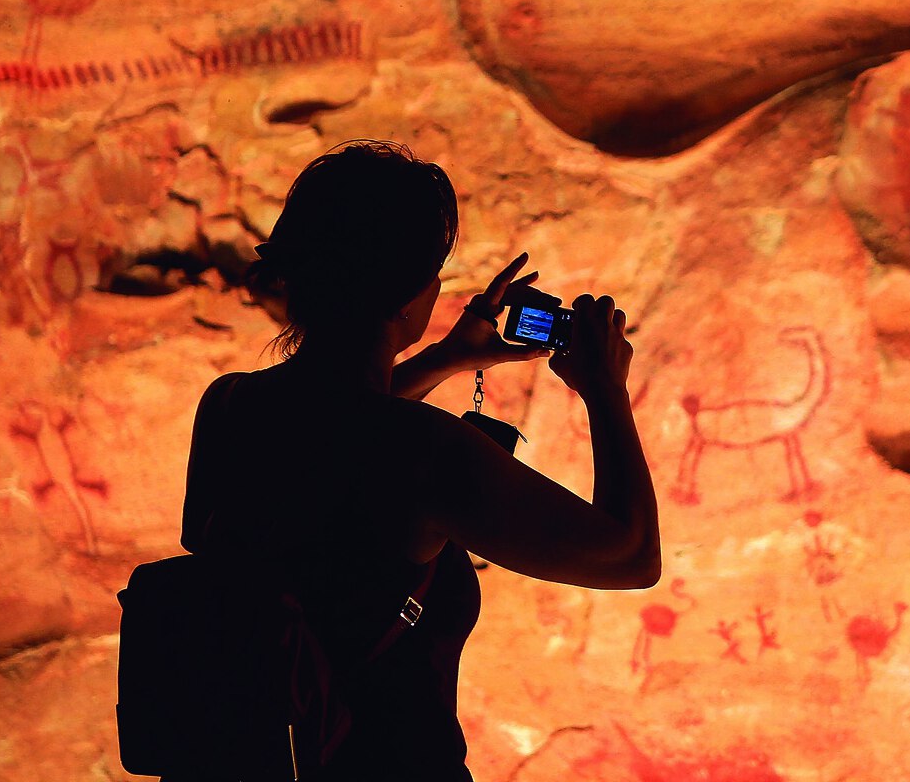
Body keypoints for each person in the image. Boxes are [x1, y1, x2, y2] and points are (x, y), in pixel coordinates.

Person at [180, 140, 659, 780]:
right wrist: (605, 390)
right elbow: (631, 557)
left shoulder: (230, 409)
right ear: (408, 299)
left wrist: (444, 360)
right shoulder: (426, 452)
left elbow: (332, 437)